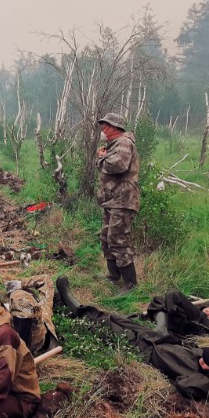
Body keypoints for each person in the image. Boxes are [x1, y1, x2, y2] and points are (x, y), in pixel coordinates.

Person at [56, 276, 209, 400]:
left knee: (100, 323)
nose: (204, 361)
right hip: (156, 337)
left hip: (143, 350)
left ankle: (70, 302)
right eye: (208, 357)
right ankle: (67, 304)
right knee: (114, 316)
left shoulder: (207, 382)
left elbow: (185, 385)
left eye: (208, 364)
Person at [96, 113, 140, 291]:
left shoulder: (123, 143)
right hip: (113, 201)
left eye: (105, 126)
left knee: (118, 240)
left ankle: (130, 285)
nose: (102, 129)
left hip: (122, 201)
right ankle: (113, 277)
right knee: (107, 237)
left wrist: (100, 157)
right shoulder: (114, 144)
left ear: (114, 128)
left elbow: (117, 165)